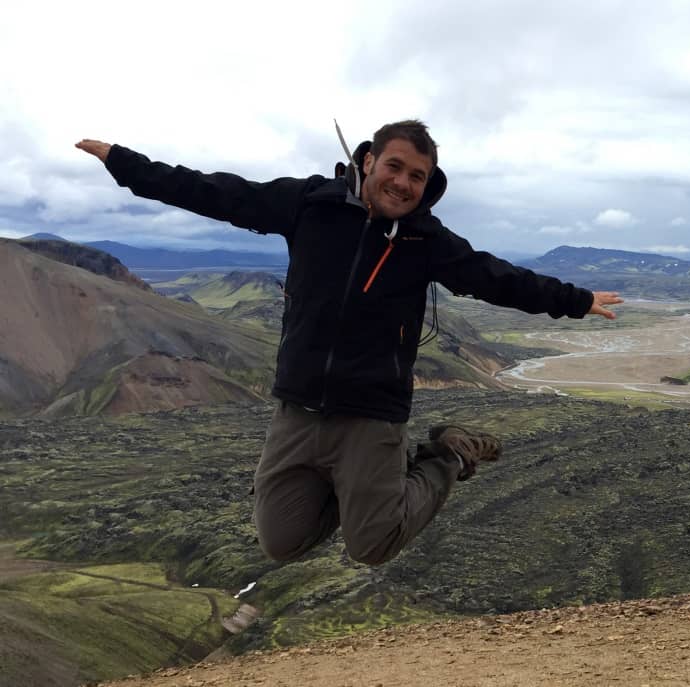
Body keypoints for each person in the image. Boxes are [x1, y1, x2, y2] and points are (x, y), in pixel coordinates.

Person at [76, 120, 622, 566]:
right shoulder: (309, 203)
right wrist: (126, 164)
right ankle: (360, 490)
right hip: (299, 409)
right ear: (368, 160)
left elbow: (496, 277)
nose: (403, 183)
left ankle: (447, 454)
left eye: (417, 176)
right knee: (281, 542)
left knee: (372, 545)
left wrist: (574, 299)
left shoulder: (427, 240)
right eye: (395, 167)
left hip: (370, 414)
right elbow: (217, 193)